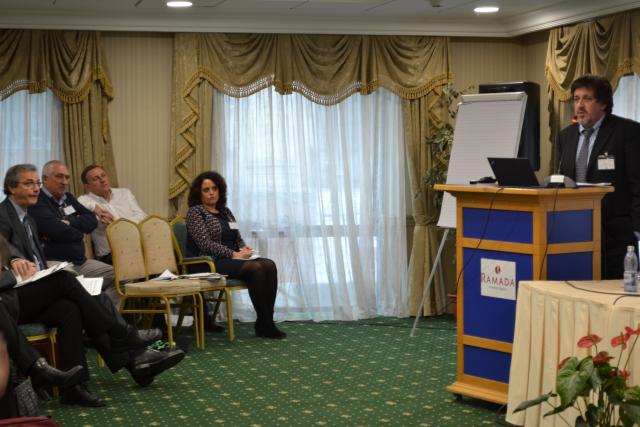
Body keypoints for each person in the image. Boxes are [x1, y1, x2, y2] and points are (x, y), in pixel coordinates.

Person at [0, 164, 185, 407]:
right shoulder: (4, 214)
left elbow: (81, 226)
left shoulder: (28, 218)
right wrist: (14, 259)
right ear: (11, 188)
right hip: (10, 297)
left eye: (37, 183)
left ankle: (74, 388)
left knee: (71, 309)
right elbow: (6, 248)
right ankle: (122, 336)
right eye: (29, 183)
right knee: (66, 279)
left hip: (33, 287)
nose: (36, 189)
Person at [556, 74, 640, 279]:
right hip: (573, 232)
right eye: (576, 99)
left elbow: (637, 183)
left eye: (587, 98)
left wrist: (637, 228)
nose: (580, 105)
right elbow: (561, 180)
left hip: (615, 235)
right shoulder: (565, 136)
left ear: (603, 103)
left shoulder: (627, 131)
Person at [186, 171, 285, 339]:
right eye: (206, 190)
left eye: (214, 188)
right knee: (256, 269)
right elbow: (205, 244)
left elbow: (236, 237)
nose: (211, 193)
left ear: (220, 190)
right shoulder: (196, 213)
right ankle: (264, 323)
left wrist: (245, 250)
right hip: (208, 261)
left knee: (269, 265)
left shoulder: (225, 211)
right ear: (199, 193)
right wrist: (234, 254)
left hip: (231, 259)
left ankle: (266, 320)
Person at [28, 160, 118, 305]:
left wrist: (70, 223)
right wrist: (79, 232)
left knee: (119, 276)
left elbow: (91, 221)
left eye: (67, 177)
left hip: (79, 261)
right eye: (59, 177)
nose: (64, 182)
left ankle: (105, 316)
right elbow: (57, 230)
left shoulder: (68, 198)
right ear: (45, 179)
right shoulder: (37, 201)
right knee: (73, 284)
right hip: (55, 263)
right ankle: (102, 318)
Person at [77, 164, 148, 265]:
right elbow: (78, 203)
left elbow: (142, 216)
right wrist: (94, 207)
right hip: (110, 254)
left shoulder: (125, 193)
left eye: (103, 175)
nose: (102, 180)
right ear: (87, 186)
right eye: (95, 179)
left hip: (137, 247)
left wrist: (116, 221)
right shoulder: (85, 201)